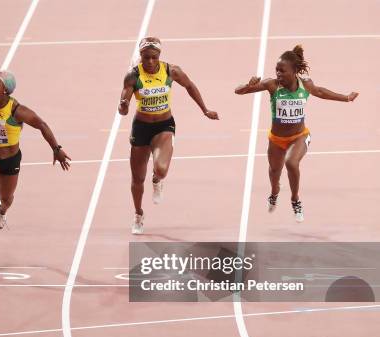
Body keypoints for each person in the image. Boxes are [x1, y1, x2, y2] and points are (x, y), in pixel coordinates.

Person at [235, 45, 358, 222]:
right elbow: (237, 91)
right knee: (274, 171)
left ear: (294, 72)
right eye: (276, 70)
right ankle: (274, 192)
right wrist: (248, 85)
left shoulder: (305, 85)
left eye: (282, 71)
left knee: (291, 163)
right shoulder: (272, 85)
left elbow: (321, 92)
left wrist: (346, 97)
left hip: (299, 136)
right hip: (277, 139)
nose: (278, 73)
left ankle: (295, 199)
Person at [118, 37, 219, 234]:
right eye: (145, 57)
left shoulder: (171, 71)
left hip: (164, 125)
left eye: (153, 57)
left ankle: (157, 180)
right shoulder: (133, 76)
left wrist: (205, 110)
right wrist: (123, 105)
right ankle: (138, 215)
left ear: (159, 56)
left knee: (161, 169)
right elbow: (123, 109)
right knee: (137, 178)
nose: (149, 62)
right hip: (141, 128)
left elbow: (189, 86)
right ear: (140, 56)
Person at [0, 70, 70, 255]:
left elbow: (42, 125)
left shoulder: (17, 110)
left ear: (6, 91)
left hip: (10, 160)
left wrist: (56, 149)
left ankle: (2, 212)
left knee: (6, 199)